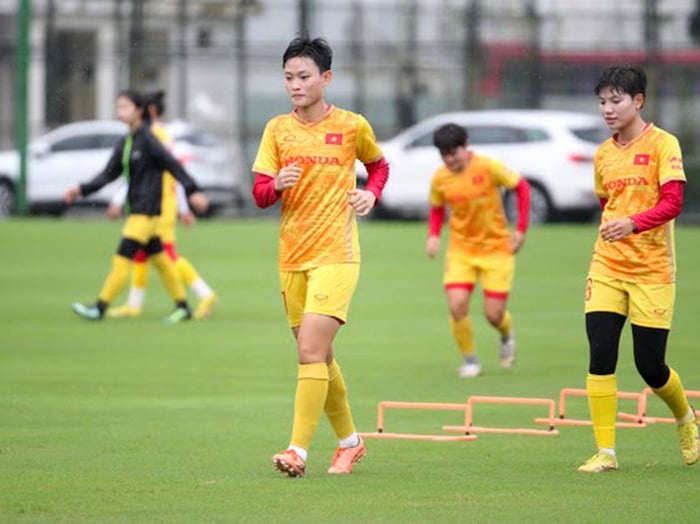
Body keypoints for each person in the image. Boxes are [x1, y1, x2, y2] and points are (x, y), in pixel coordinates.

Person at [252, 36, 389, 478]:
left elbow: (379, 165)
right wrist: (278, 185)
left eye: (304, 76)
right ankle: (350, 443)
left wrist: (371, 193)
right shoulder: (277, 129)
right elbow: (258, 195)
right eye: (289, 77)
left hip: (337, 253)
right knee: (320, 355)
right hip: (292, 256)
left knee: (310, 350)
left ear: (326, 78)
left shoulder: (351, 126)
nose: (295, 85)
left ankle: (297, 451)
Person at [579, 66, 699, 473]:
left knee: (651, 366)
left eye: (616, 100)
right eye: (602, 101)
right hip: (607, 266)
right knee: (600, 354)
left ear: (638, 101)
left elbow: (674, 203)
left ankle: (686, 418)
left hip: (652, 271)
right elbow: (606, 205)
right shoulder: (602, 154)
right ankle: (606, 453)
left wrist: (632, 223)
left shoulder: (664, 144)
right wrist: (617, 227)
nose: (607, 109)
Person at [64, 89, 208, 322]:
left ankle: (100, 307)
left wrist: (193, 191)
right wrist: (80, 189)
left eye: (124, 107)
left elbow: (172, 164)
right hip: (142, 213)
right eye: (118, 107)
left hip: (145, 213)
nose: (119, 111)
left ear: (139, 111)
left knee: (122, 258)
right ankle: (183, 306)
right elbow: (108, 174)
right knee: (161, 261)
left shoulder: (149, 139)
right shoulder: (126, 141)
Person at [426, 123, 530, 378]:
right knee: (457, 306)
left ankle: (506, 334)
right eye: (444, 154)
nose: (449, 159)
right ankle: (470, 361)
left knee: (493, 315)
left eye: (454, 152)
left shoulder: (488, 167)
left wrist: (520, 230)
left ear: (466, 146)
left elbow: (522, 187)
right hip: (461, 251)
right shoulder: (440, 178)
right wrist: (434, 236)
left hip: (496, 250)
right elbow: (437, 208)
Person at [106, 90, 218, 320]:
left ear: (148, 111)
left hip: (158, 206)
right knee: (142, 254)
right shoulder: (155, 134)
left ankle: (203, 293)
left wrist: (183, 207)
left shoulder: (152, 135)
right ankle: (134, 304)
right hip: (152, 203)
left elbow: (166, 172)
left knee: (166, 256)